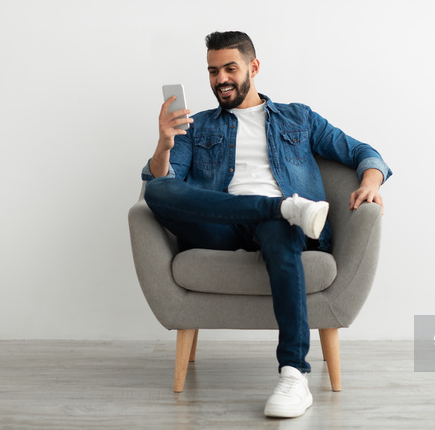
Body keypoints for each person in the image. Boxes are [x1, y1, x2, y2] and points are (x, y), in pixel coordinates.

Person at [141, 31, 392, 418]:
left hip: (278, 231)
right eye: (212, 71)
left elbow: (362, 151)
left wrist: (371, 182)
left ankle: (294, 374)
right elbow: (165, 181)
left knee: (280, 229)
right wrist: (163, 144)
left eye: (230, 68)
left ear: (253, 68)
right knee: (155, 190)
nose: (220, 79)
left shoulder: (299, 118)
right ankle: (279, 208)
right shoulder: (197, 126)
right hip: (220, 227)